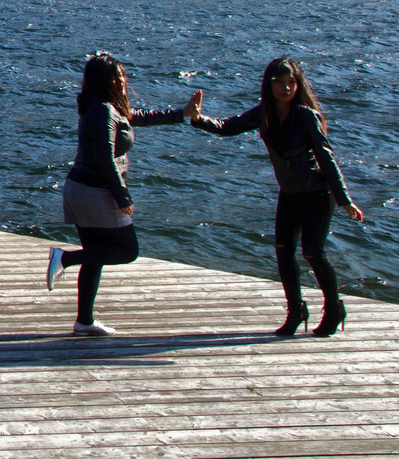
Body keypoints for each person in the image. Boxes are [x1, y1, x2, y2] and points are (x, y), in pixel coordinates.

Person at [190, 57, 365, 337]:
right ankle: (295, 311)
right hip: (290, 194)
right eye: (280, 82)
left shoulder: (306, 115)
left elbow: (326, 157)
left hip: (317, 194)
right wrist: (198, 119)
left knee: (313, 253)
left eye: (291, 82)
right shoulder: (264, 113)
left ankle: (333, 309)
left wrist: (344, 199)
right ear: (269, 85)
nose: (286, 88)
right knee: (283, 251)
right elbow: (228, 126)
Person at [44, 52, 202, 335]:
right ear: (102, 82)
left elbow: (138, 117)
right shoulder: (102, 109)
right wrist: (123, 197)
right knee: (127, 251)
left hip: (82, 188)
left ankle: (84, 322)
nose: (122, 81)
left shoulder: (105, 107)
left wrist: (182, 114)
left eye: (122, 75)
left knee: (96, 255)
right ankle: (64, 259)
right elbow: (105, 158)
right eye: (115, 77)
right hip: (95, 190)